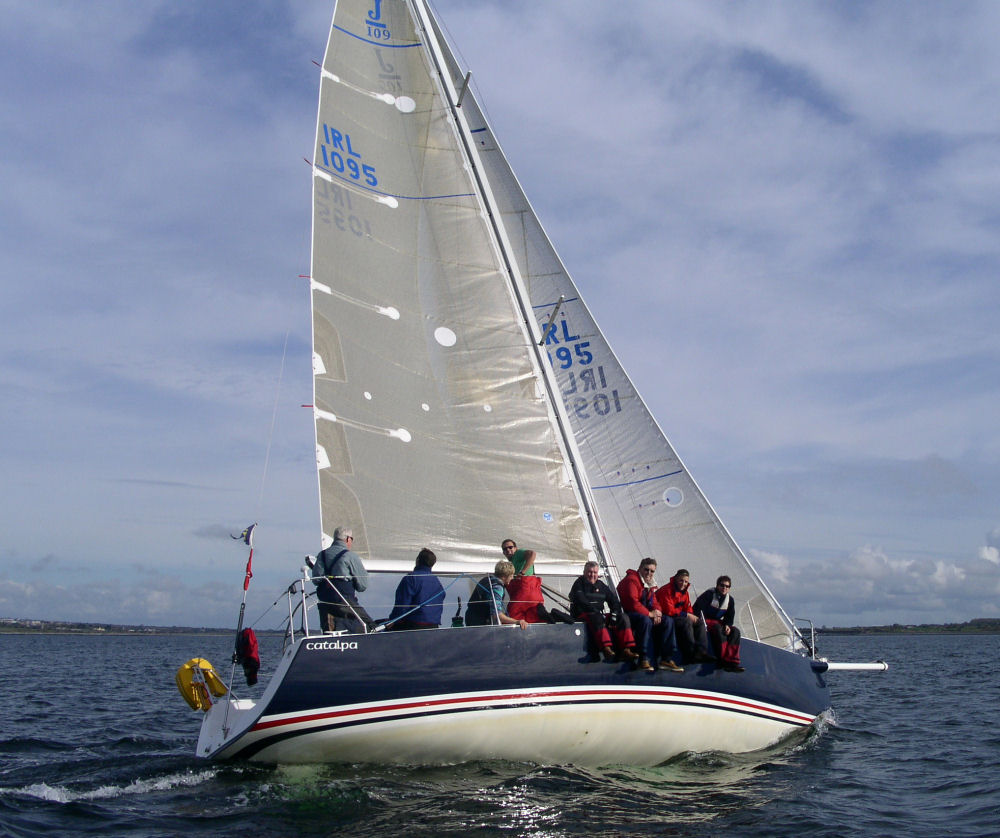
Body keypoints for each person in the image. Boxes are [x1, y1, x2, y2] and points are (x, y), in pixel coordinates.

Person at [617, 557, 683, 672]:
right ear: (640, 569)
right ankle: (643, 658)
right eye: (646, 569)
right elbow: (632, 603)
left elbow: (654, 601)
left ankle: (666, 658)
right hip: (629, 614)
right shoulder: (632, 580)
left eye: (652, 571)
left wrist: (657, 612)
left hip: (642, 613)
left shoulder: (649, 584)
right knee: (645, 621)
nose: (649, 573)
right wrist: (649, 614)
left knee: (668, 621)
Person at [569, 560, 639, 663]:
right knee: (597, 617)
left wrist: (614, 615)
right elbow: (581, 601)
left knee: (623, 617)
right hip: (583, 615)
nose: (592, 575)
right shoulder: (579, 584)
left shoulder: (601, 585)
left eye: (595, 572)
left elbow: (614, 601)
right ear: (584, 572)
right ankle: (606, 649)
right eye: (589, 572)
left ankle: (626, 650)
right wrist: (596, 612)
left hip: (598, 616)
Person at [311, 526, 375, 633]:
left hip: (326, 603)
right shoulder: (350, 556)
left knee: (336, 621)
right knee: (370, 625)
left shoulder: (321, 555)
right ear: (347, 539)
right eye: (352, 539)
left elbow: (316, 580)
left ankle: (335, 631)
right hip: (345, 601)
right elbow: (363, 586)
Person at [654, 568, 713, 663]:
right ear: (676, 579)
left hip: (678, 617)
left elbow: (688, 607)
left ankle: (701, 653)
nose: (683, 583)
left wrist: (691, 615)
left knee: (699, 622)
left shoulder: (685, 593)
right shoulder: (667, 590)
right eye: (681, 580)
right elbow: (669, 610)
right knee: (686, 622)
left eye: (686, 581)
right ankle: (689, 653)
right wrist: (686, 615)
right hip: (666, 617)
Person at [694, 575, 745, 672]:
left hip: (718, 622)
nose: (724, 588)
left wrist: (727, 625)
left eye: (727, 586)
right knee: (718, 628)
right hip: (705, 620)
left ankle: (732, 661)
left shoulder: (730, 600)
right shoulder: (709, 594)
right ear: (717, 586)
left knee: (735, 631)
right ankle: (722, 659)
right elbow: (697, 609)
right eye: (722, 585)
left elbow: (730, 616)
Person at [388, 548, 446, 630]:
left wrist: (392, 620)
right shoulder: (437, 582)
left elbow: (402, 604)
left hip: (413, 625)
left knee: (378, 626)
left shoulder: (411, 578)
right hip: (433, 626)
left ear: (418, 560)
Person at [465, 560, 529, 629]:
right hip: (480, 623)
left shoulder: (487, 579)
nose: (512, 578)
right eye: (511, 576)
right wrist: (517, 622)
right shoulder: (497, 588)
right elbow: (496, 614)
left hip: (470, 617)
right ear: (505, 576)